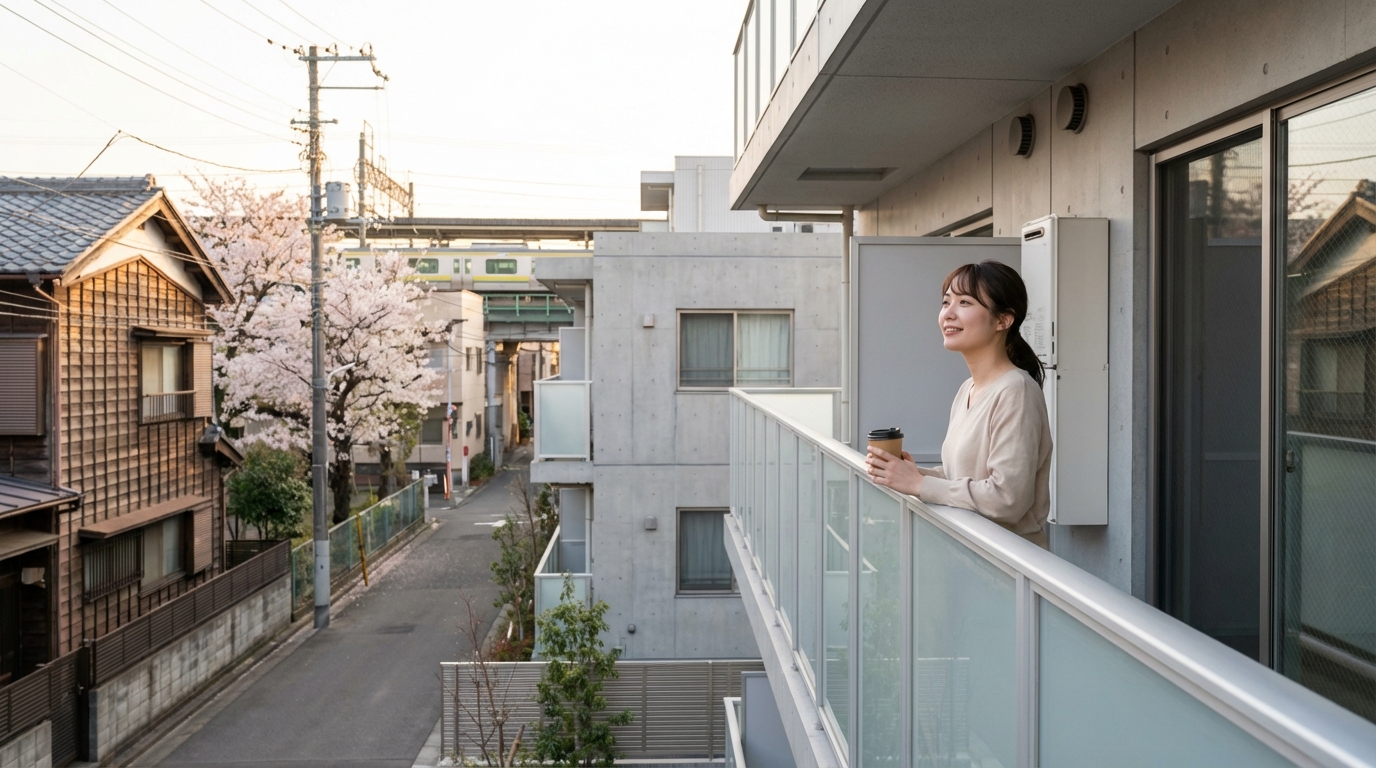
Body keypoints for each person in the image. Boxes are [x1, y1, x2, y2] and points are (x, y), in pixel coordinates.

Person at [865, 260, 1053, 548]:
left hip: (1010, 567)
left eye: (964, 302)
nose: (948, 314)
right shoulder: (969, 388)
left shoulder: (1017, 390)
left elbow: (1007, 498)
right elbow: (963, 478)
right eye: (945, 302)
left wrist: (919, 485)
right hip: (971, 558)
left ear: (1003, 320)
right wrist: (909, 474)